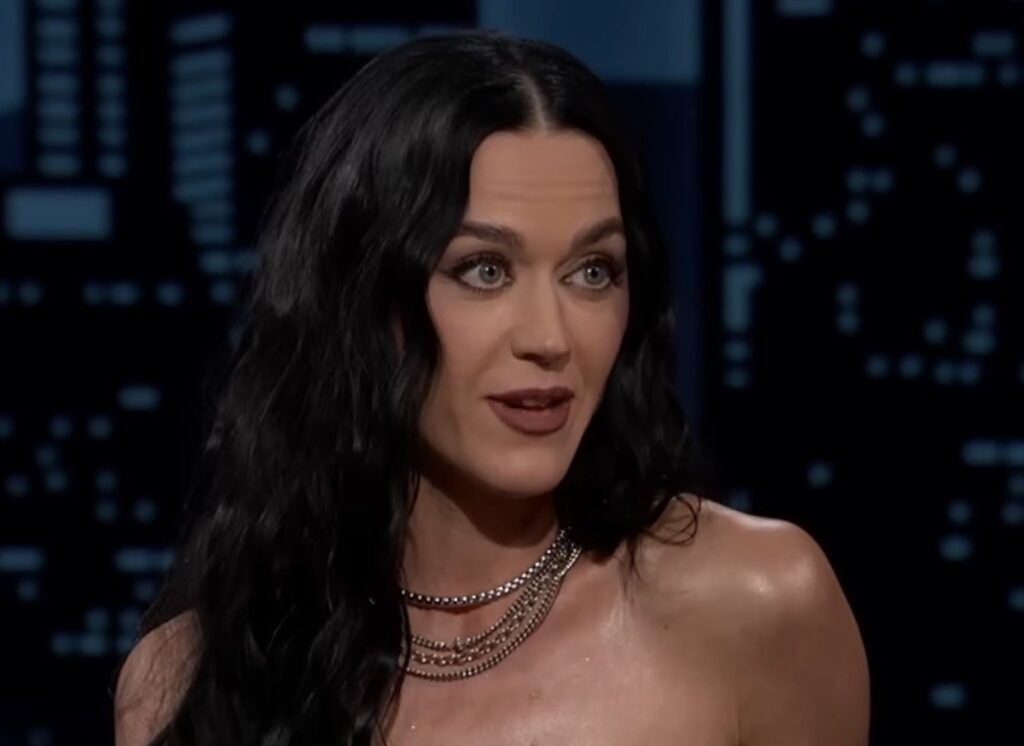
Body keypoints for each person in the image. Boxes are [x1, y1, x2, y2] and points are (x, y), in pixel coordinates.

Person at [112, 28, 869, 746]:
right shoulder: (190, 683)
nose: (550, 337)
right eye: (484, 270)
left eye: (592, 271)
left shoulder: (755, 604)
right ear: (360, 300)